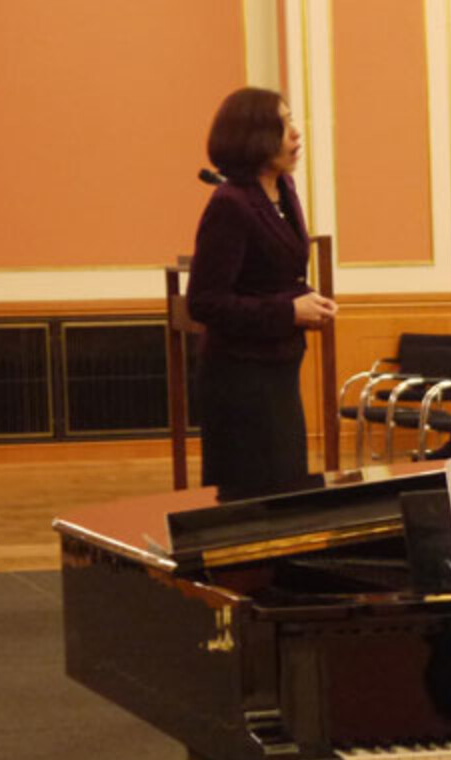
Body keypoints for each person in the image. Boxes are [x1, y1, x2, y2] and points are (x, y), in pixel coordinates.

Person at [187, 87, 335, 500]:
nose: (296, 134)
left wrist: (308, 301)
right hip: (240, 378)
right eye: (283, 124)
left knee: (286, 488)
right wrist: (289, 311)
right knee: (253, 499)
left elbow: (275, 273)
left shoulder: (283, 190)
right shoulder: (229, 204)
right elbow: (205, 302)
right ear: (253, 135)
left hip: (280, 368)